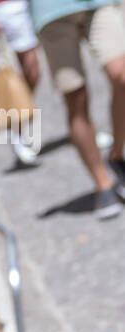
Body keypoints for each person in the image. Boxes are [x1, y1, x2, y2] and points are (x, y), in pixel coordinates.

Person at [29, 0, 125, 216]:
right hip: (50, 12)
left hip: (98, 3)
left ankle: (116, 155)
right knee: (76, 99)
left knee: (122, 76)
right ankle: (103, 184)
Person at [0, 0, 44, 165]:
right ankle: (16, 129)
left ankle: (18, 124)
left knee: (33, 72)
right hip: (9, 8)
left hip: (34, 6)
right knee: (32, 70)